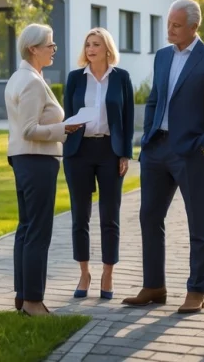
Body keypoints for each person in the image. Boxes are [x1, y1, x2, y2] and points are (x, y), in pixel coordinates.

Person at [122, 0, 204, 314]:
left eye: (176, 25)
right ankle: (154, 286)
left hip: (191, 152)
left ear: (194, 27)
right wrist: (147, 138)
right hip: (157, 148)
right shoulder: (162, 57)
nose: (169, 29)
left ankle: (196, 290)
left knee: (198, 221)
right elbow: (155, 99)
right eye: (168, 23)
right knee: (149, 217)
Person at [5, 23, 81, 317]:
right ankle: (34, 302)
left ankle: (23, 296)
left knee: (26, 229)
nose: (53, 50)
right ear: (33, 49)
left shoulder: (21, 77)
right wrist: (64, 128)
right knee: (37, 232)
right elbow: (29, 129)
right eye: (50, 45)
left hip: (25, 161)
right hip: (36, 161)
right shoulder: (32, 82)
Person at [62, 27, 134, 300]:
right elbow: (68, 114)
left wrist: (125, 153)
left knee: (110, 217)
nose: (90, 49)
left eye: (96, 44)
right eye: (88, 44)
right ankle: (84, 272)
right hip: (78, 151)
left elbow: (127, 120)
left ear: (107, 49)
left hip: (109, 151)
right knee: (80, 216)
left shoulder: (121, 78)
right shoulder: (74, 79)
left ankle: (108, 273)